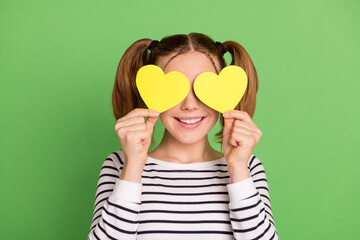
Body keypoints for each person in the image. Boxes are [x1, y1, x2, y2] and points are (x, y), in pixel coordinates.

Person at [87, 33, 279, 240]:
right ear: (151, 92)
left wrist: (237, 168)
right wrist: (134, 164)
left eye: (203, 89)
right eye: (174, 89)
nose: (190, 105)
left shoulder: (248, 167)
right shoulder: (119, 165)